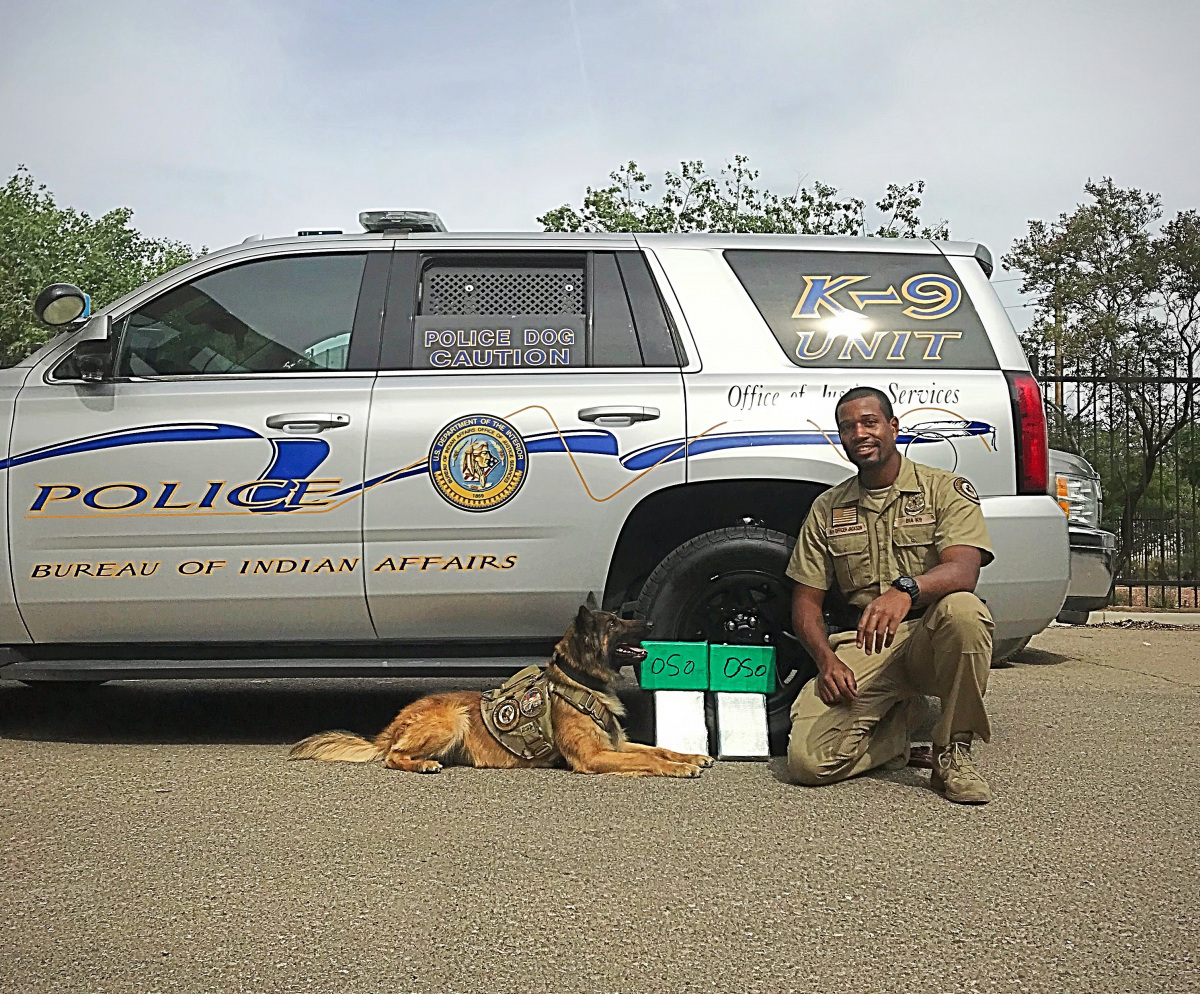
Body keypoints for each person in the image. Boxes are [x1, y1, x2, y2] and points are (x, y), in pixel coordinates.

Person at [785, 386, 996, 803]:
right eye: (848, 427)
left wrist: (907, 589)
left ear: (893, 427)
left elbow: (963, 569)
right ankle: (896, 732)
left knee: (965, 611)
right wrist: (826, 661)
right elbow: (805, 602)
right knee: (807, 763)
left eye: (869, 422)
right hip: (866, 646)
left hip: (930, 639)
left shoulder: (944, 489)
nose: (860, 433)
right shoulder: (828, 507)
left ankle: (951, 751)